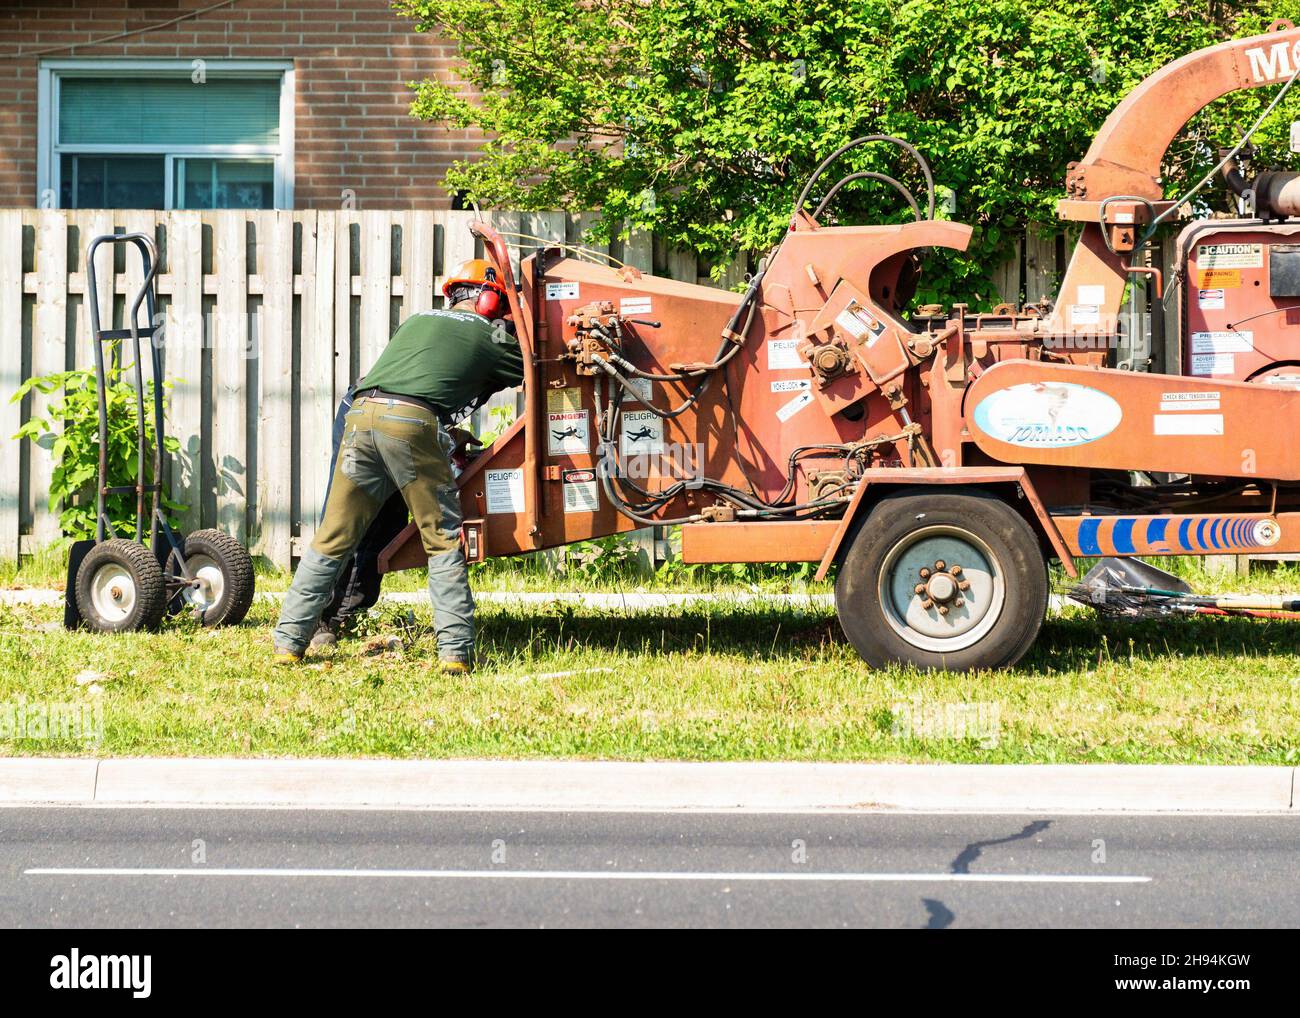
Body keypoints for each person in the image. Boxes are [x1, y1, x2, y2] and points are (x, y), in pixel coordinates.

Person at [272, 258, 523, 672]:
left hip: (359, 415)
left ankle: (288, 642)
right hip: (410, 424)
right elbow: (539, 366)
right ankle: (455, 654)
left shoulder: (418, 321)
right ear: (490, 298)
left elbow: (419, 379)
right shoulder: (491, 335)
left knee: (333, 536)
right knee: (441, 539)